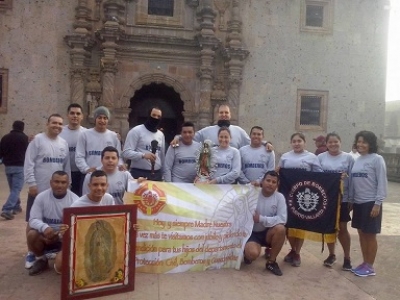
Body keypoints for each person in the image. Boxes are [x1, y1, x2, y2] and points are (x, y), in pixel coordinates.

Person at [24, 113, 71, 269]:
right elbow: (29, 163)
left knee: (56, 218)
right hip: (39, 187)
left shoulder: (63, 143)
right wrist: (32, 183)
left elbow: (66, 166)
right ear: (47, 123)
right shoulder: (37, 140)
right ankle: (31, 252)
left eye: (59, 124)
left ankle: (51, 247)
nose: (57, 126)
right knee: (33, 221)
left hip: (57, 188)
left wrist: (67, 185)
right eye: (54, 123)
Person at [54, 170, 115, 274]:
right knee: (60, 265)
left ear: (107, 186)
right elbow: (65, 235)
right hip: (82, 242)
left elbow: (114, 222)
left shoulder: (109, 199)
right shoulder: (76, 206)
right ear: (89, 186)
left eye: (103, 184)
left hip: (102, 241)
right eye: (95, 184)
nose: (99, 188)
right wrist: (64, 232)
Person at [278, 132, 323, 267]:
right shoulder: (285, 157)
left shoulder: (312, 157)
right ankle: (293, 249)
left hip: (303, 197)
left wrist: (337, 177)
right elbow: (279, 173)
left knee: (301, 225)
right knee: (289, 225)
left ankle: (296, 252)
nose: (297, 143)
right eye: (294, 141)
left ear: (304, 142)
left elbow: (320, 175)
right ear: (291, 143)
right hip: (288, 196)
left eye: (299, 141)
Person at [349, 130, 387, 277]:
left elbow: (382, 182)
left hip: (371, 203)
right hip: (358, 203)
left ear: (370, 144)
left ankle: (370, 266)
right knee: (361, 233)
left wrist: (378, 203)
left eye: (364, 142)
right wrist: (351, 200)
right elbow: (353, 182)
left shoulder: (377, 159)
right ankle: (365, 262)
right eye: (358, 141)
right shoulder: (357, 159)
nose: (360, 144)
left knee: (370, 235)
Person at [26, 171, 78, 276]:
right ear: (50, 182)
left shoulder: (75, 200)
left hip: (64, 237)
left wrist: (59, 235)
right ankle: (41, 259)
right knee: (31, 232)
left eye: (63, 182)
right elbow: (33, 219)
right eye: (56, 182)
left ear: (68, 184)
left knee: (60, 267)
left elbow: (75, 226)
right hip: (46, 235)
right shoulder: (41, 197)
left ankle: (60, 255)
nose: (59, 185)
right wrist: (45, 228)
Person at [318, 133, 355, 270]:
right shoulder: (320, 158)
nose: (333, 144)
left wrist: (351, 198)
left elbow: (353, 178)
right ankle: (332, 254)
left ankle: (347, 257)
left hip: (343, 198)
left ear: (340, 142)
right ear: (326, 144)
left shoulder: (348, 158)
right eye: (330, 142)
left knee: (343, 228)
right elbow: (316, 176)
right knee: (329, 228)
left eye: (336, 142)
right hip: (327, 199)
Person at [171, 104, 273, 151]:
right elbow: (189, 136)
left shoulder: (239, 131)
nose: (224, 114)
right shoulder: (207, 131)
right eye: (221, 112)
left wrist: (266, 143)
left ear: (230, 115)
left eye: (226, 112)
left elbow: (253, 141)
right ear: (217, 114)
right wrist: (177, 137)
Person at [243, 171, 287, 276]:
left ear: (277, 185)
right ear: (262, 181)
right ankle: (246, 252)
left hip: (268, 232)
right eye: (268, 180)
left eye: (274, 182)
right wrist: (249, 185)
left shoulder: (280, 197)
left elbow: (282, 219)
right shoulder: (253, 192)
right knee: (252, 254)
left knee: (281, 229)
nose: (270, 184)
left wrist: (261, 219)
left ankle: (271, 262)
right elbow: (239, 195)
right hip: (252, 233)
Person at [75, 106, 124, 176]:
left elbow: (119, 157)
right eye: (99, 118)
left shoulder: (114, 136)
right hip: (90, 175)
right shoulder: (85, 135)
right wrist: (86, 169)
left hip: (109, 175)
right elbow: (79, 156)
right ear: (95, 119)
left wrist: (121, 166)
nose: (102, 121)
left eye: (105, 118)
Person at [122, 107, 166, 181]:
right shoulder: (136, 131)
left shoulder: (161, 135)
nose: (156, 118)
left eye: (158, 116)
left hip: (156, 175)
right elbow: (126, 152)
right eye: (154, 115)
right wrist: (143, 155)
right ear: (149, 115)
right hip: (138, 174)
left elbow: (162, 157)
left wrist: (164, 175)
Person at [0, 121, 29, 220]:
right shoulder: (24, 138)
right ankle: (7, 210)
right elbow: (28, 152)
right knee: (16, 189)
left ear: (13, 127)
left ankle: (17, 206)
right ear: (22, 128)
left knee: (13, 188)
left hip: (8, 167)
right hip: (19, 167)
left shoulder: (5, 137)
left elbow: (1, 153)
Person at [59, 103, 86, 196]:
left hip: (81, 173)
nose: (75, 116)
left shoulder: (87, 133)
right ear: (67, 115)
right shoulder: (59, 132)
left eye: (78, 114)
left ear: (82, 116)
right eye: (72, 113)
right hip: (63, 173)